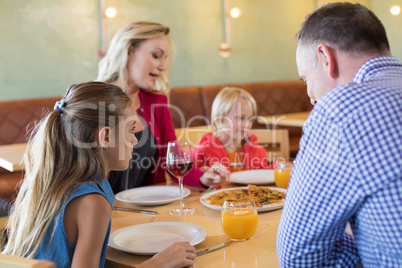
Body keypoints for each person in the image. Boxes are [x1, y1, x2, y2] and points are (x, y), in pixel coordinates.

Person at [1, 82, 196, 268]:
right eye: (130, 130)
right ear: (105, 136)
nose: (134, 141)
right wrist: (157, 263)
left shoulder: (51, 182)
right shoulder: (93, 202)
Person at [277, 2, 402, 267]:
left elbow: (297, 255)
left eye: (305, 79)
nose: (310, 96)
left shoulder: (339, 110)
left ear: (325, 58)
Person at [97, 21, 229, 193]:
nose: (163, 67)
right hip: (104, 213)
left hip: (149, 209)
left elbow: (175, 161)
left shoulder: (157, 102)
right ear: (129, 51)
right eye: (156, 55)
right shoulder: (94, 102)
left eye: (164, 58)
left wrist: (204, 179)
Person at [192, 87, 274, 172]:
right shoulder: (202, 153)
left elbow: (264, 173)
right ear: (220, 119)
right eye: (241, 118)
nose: (247, 125)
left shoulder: (257, 151)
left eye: (250, 119)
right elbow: (193, 179)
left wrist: (279, 167)